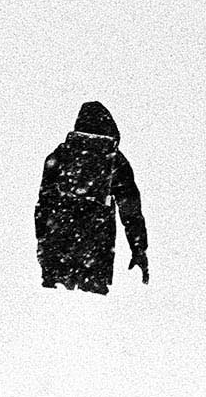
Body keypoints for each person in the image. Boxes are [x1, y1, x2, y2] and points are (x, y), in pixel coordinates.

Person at [35, 101, 149, 294]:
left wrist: (43, 244)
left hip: (58, 244)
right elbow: (130, 210)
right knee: (92, 312)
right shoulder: (114, 159)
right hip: (97, 248)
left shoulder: (60, 155)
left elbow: (42, 204)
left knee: (52, 307)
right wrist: (139, 250)